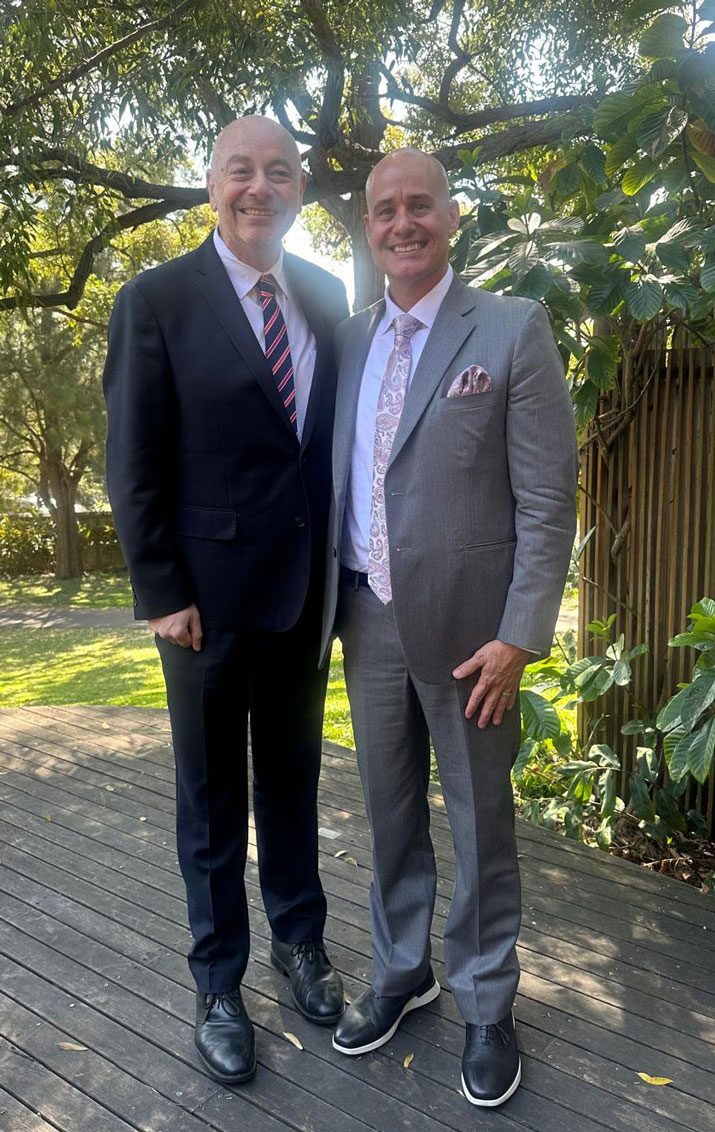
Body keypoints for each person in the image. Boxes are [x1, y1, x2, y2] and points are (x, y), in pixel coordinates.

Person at [321, 148, 578, 1107]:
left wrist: (519, 635)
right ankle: (402, 971)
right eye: (384, 209)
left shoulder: (510, 328)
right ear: (367, 227)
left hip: (477, 641)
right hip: (366, 619)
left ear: (451, 215)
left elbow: (547, 501)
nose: (402, 223)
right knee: (389, 815)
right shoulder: (347, 341)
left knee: (480, 824)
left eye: (418, 205)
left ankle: (484, 1001)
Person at [103, 116, 349, 1085]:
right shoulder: (156, 298)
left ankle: (300, 944)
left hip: (302, 596)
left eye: (278, 171)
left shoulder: (326, 293)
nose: (260, 187)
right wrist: (161, 590)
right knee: (211, 802)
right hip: (201, 607)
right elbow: (133, 459)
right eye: (240, 171)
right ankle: (216, 984)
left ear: (300, 189)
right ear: (211, 186)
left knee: (292, 781)